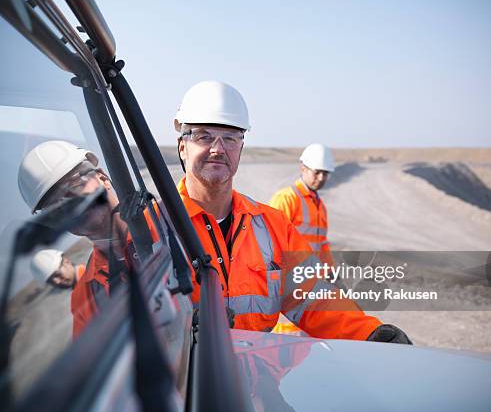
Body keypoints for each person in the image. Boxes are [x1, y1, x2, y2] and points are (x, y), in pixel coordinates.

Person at [174, 81, 410, 342]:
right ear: (182, 146)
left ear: (240, 147)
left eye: (230, 137)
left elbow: (314, 297)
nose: (218, 148)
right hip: (186, 379)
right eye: (203, 136)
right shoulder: (154, 226)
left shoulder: (273, 226)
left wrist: (368, 333)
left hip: (257, 377)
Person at [18, 140, 131, 339]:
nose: (67, 206)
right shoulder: (84, 299)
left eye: (74, 186)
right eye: (53, 207)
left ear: (103, 177)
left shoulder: (176, 218)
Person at [269, 143, 334, 335]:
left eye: (325, 173)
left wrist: (331, 274)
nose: (321, 178)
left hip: (312, 282)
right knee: (287, 338)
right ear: (303, 169)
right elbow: (271, 244)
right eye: (317, 172)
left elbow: (321, 243)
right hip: (290, 284)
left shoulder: (319, 205)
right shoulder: (286, 199)